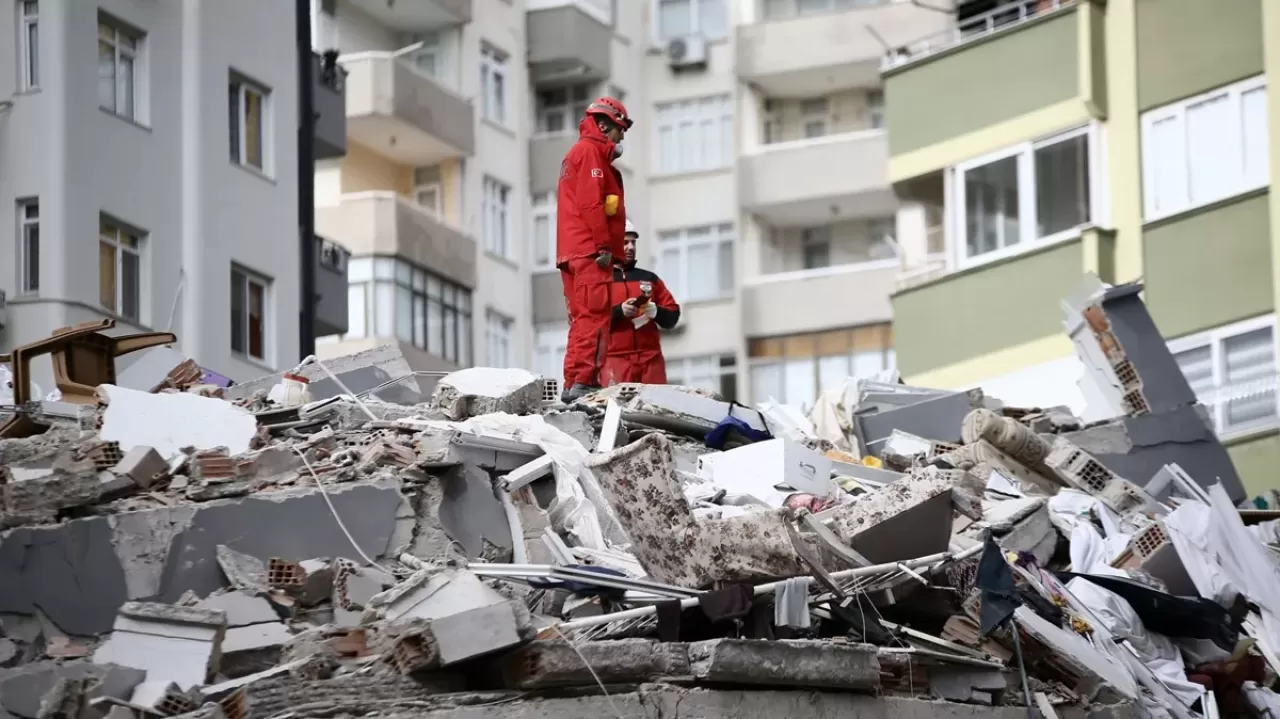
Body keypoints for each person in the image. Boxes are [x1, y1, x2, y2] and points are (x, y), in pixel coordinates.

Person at [556, 96, 633, 402]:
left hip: (574, 251)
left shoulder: (580, 154)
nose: (622, 136)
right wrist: (603, 245)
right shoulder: (590, 154)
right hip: (590, 251)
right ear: (603, 125)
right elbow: (591, 203)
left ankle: (572, 383)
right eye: (619, 129)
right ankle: (584, 382)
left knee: (581, 319)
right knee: (595, 318)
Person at [602, 219, 681, 386]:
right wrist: (618, 311)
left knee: (656, 410)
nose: (631, 247)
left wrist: (656, 312)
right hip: (615, 361)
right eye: (625, 242)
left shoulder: (649, 278)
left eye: (633, 242)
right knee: (619, 410)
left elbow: (673, 316)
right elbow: (588, 319)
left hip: (651, 360)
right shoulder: (600, 281)